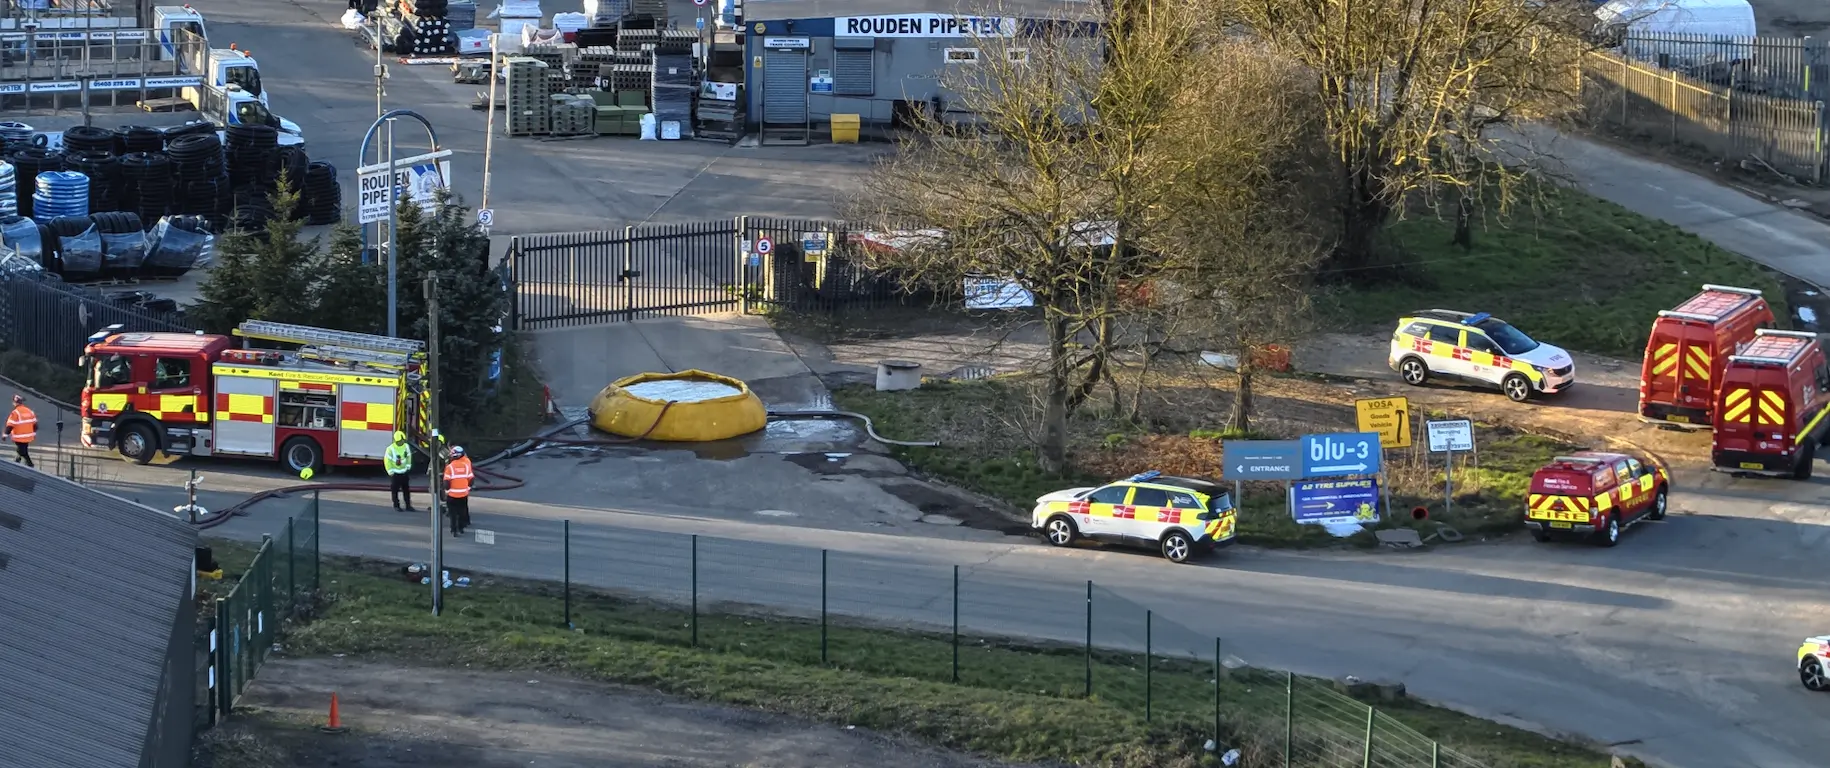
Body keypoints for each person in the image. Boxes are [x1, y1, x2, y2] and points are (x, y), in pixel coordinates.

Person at [443, 444, 473, 537]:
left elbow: (446, 483)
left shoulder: (449, 467)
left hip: (452, 495)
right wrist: (467, 488)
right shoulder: (466, 465)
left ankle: (453, 530)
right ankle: (461, 528)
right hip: (463, 494)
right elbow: (471, 480)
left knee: (452, 514)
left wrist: (447, 491)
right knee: (461, 512)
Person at [384, 431, 414, 511]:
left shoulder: (406, 446)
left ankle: (408, 505)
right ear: (396, 441)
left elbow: (408, 456)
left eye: (402, 440)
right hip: (395, 473)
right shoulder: (390, 449)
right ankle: (396, 505)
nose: (401, 442)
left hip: (404, 472)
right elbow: (387, 461)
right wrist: (390, 472)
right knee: (395, 491)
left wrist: (408, 467)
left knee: (406, 490)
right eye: (400, 441)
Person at [6, 395, 35, 469]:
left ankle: (29, 465)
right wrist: (32, 432)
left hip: (19, 437)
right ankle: (17, 461)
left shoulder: (15, 413)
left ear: (14, 403)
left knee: (23, 452)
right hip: (28, 436)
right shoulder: (29, 411)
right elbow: (35, 425)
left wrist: (5, 434)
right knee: (22, 450)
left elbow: (10, 425)